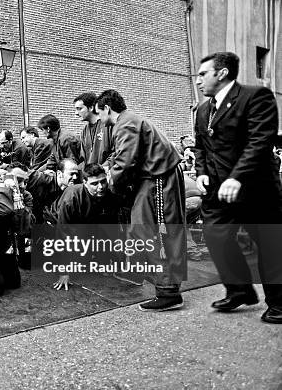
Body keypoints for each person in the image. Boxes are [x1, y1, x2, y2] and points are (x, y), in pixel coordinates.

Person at [193, 51, 282, 323]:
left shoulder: (256, 97)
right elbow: (200, 148)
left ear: (221, 73)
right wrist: (201, 173)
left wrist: (237, 177)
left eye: (203, 74)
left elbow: (260, 141)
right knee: (215, 235)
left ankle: (279, 303)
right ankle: (240, 290)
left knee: (269, 245)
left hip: (256, 188)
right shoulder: (204, 109)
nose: (198, 81)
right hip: (219, 190)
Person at [96, 89, 187, 311]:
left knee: (154, 232)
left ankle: (168, 291)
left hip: (157, 180)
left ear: (107, 108)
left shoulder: (125, 124)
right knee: (146, 230)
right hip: (157, 178)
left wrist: (112, 184)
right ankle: (165, 285)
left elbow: (125, 163)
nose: (99, 119)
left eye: (99, 114)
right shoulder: (130, 121)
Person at [53, 163, 121, 290]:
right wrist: (64, 272)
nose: (101, 187)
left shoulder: (110, 196)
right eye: (94, 184)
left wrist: (108, 258)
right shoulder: (72, 197)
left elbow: (109, 228)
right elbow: (63, 233)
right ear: (84, 182)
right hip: (57, 222)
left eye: (103, 182)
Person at [26, 158, 80, 224]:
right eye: (72, 174)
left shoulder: (69, 191)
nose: (75, 177)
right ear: (59, 174)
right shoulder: (41, 179)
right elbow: (14, 172)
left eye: (76, 174)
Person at [74, 92, 114, 167]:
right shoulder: (84, 131)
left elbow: (116, 153)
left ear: (91, 107)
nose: (76, 113)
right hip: (91, 176)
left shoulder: (108, 125)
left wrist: (103, 168)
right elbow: (83, 159)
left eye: (79, 109)